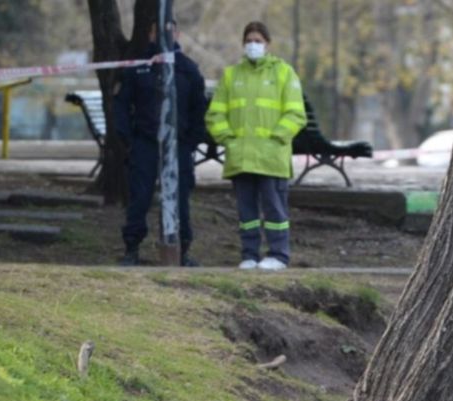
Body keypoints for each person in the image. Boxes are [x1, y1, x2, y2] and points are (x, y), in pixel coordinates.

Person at [205, 21, 307, 271]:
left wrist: (276, 139)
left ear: (267, 44)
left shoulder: (283, 73)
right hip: (241, 157)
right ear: (243, 44)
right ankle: (249, 254)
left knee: (275, 210)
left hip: (271, 158)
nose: (253, 45)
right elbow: (215, 115)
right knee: (246, 213)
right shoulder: (231, 75)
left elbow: (295, 114)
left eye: (258, 41)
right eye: (249, 40)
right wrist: (228, 139)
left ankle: (279, 255)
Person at [112, 19, 208, 267]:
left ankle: (182, 252)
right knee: (140, 198)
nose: (164, 35)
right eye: (158, 30)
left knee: (180, 200)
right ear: (150, 33)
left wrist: (190, 141)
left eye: (169, 30)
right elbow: (121, 105)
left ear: (177, 32)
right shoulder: (139, 67)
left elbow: (200, 109)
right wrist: (128, 139)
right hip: (145, 144)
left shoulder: (188, 69)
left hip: (179, 146)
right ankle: (132, 249)